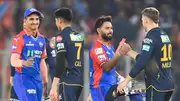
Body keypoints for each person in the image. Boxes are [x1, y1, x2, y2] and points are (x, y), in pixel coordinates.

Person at [117, 7, 175, 101]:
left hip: (156, 85)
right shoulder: (164, 35)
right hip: (167, 84)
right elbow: (149, 59)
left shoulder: (150, 38)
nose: (142, 23)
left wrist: (126, 81)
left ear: (146, 21)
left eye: (142, 20)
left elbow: (142, 62)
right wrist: (130, 52)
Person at [10, 8, 48, 101]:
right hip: (23, 77)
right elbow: (13, 60)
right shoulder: (19, 38)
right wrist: (23, 63)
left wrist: (45, 81)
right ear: (25, 21)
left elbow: (42, 61)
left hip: (37, 79)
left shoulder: (42, 39)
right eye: (31, 19)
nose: (35, 22)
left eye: (37, 19)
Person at [88, 15, 129, 101]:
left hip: (111, 86)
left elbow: (112, 67)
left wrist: (119, 77)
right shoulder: (97, 48)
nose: (110, 30)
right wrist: (119, 53)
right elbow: (107, 67)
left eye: (111, 28)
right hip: (101, 88)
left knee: (134, 90)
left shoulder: (110, 47)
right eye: (107, 28)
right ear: (99, 30)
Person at [50, 7, 84, 101]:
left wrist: (54, 85)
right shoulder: (79, 36)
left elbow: (61, 61)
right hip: (79, 80)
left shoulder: (61, 36)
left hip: (67, 80)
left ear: (59, 20)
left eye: (56, 20)